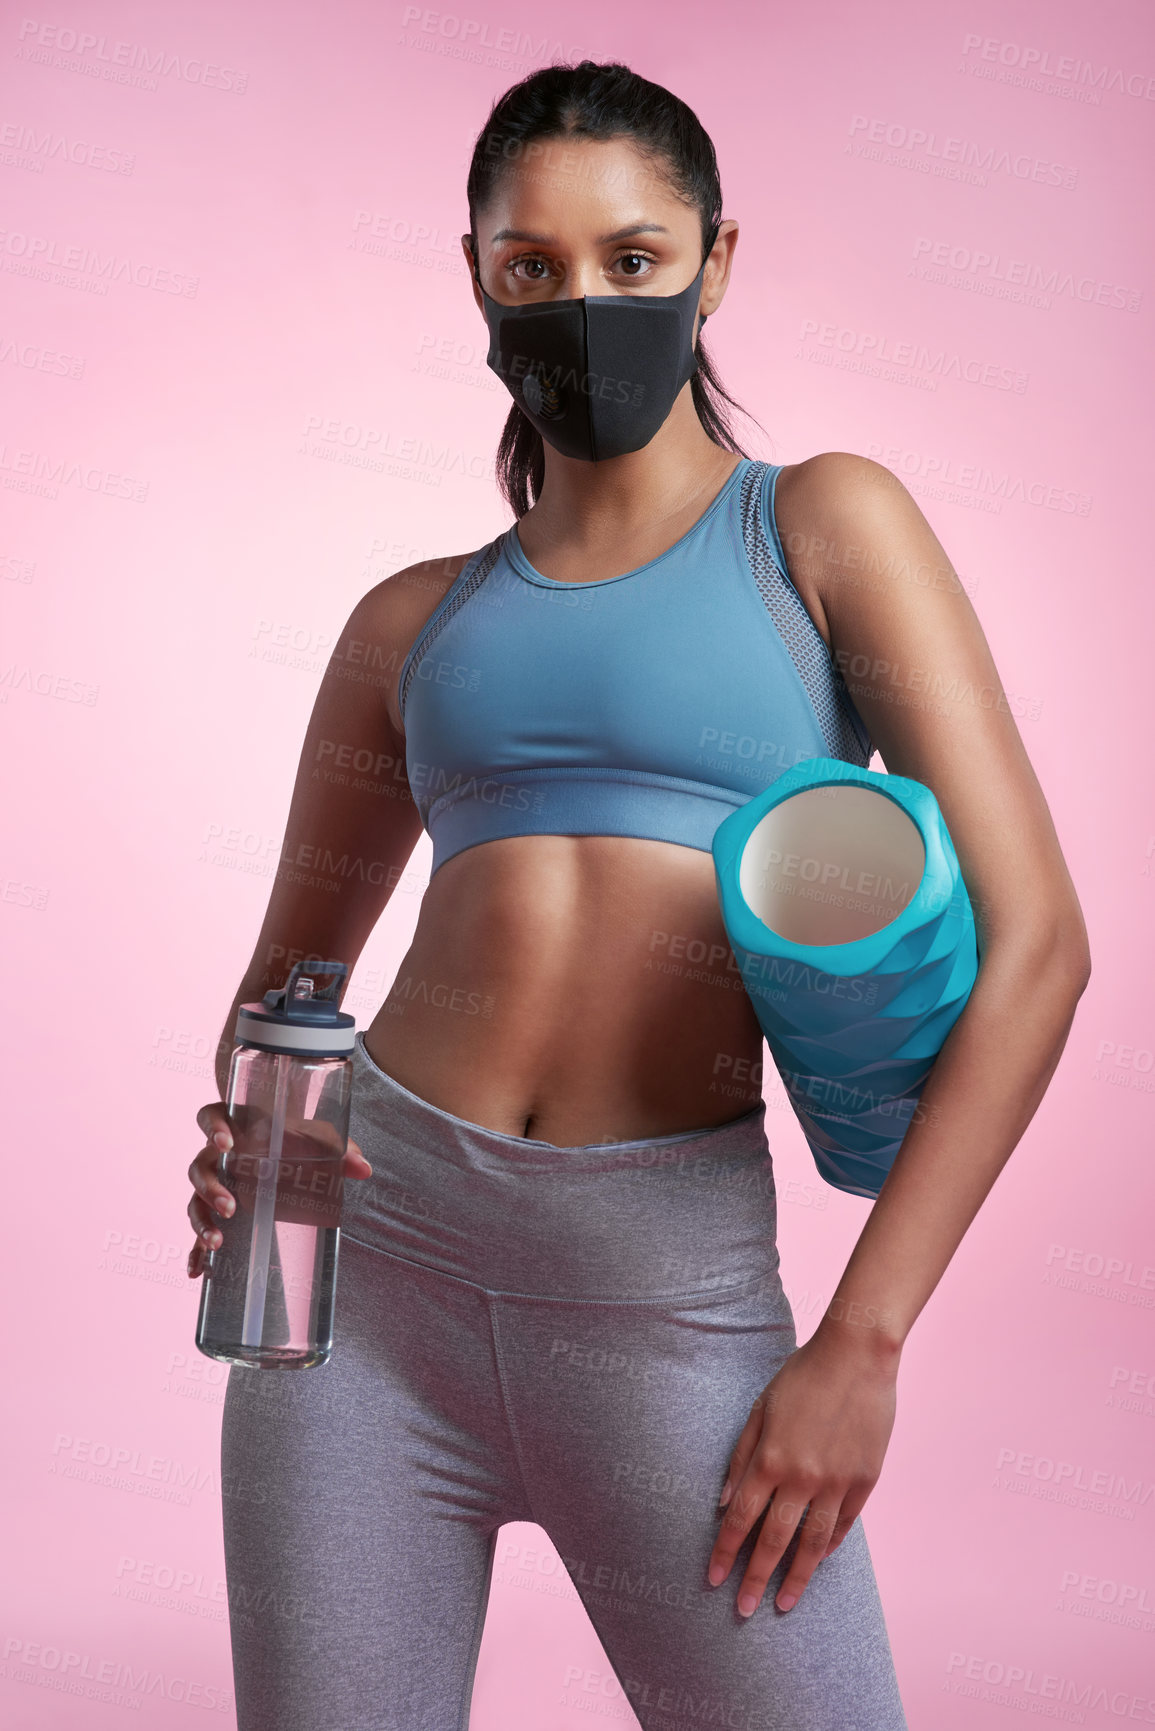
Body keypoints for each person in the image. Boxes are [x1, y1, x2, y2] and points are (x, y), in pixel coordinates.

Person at [186, 58, 1090, 1731]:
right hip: (367, 1297)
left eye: (632, 258)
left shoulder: (817, 531)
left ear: (715, 261)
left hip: (663, 1295)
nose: (583, 300)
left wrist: (864, 1340)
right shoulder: (410, 623)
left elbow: (1042, 947)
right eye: (532, 266)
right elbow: (288, 985)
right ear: (477, 278)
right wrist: (255, 1139)